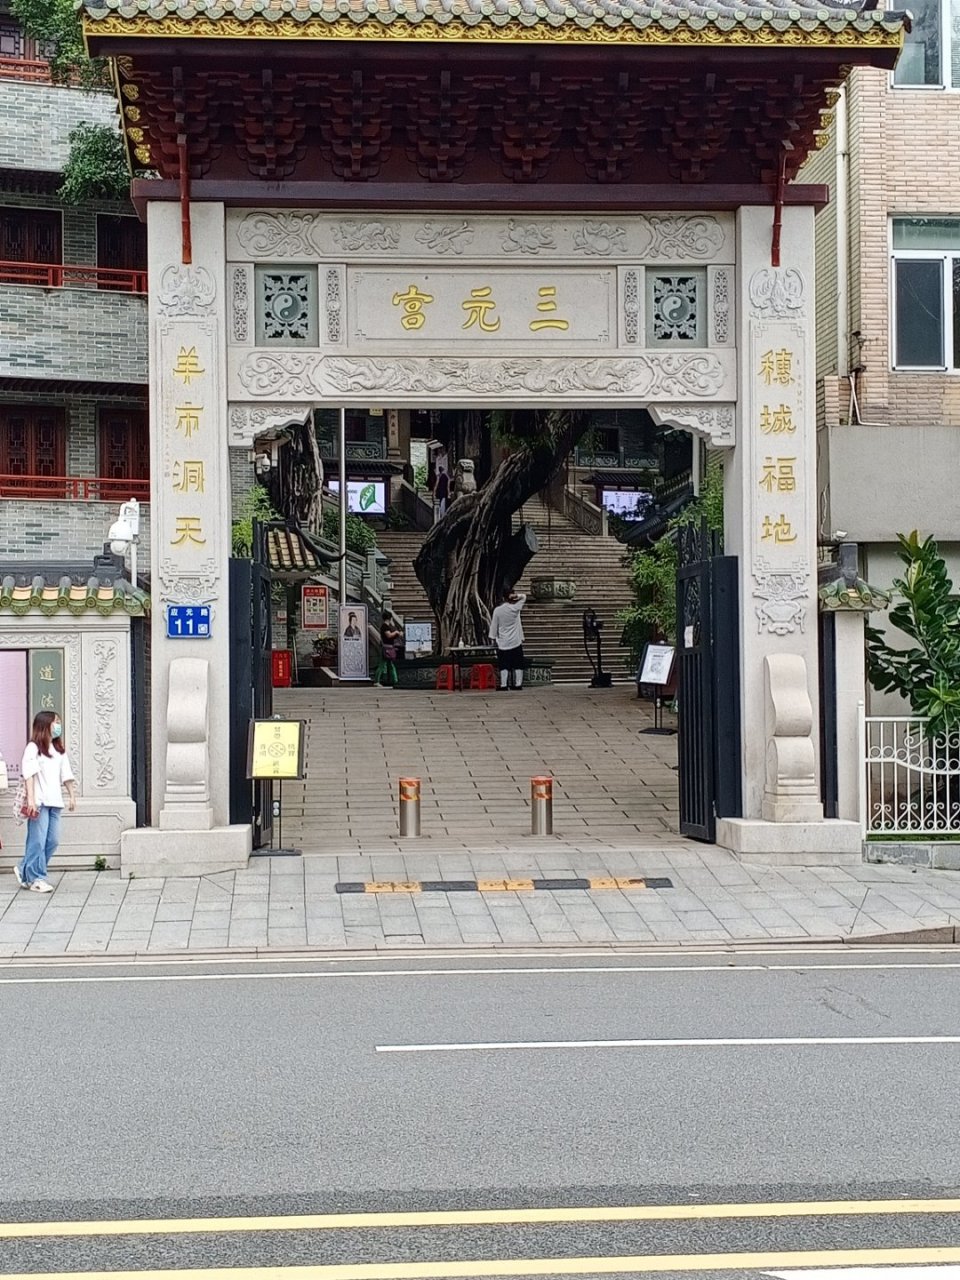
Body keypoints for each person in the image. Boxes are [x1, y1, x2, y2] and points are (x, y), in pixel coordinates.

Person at [14, 710, 77, 894]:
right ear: (45, 724)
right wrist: (32, 800)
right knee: (37, 841)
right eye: (55, 722)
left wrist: (72, 795)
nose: (58, 726)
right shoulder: (33, 748)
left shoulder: (59, 750)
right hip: (40, 803)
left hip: (55, 802)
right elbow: (29, 774)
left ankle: (25, 866)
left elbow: (66, 775)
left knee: (53, 841)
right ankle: (36, 877)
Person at [488, 587, 527, 691]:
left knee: (504, 664)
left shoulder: (498, 610)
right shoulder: (515, 609)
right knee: (518, 663)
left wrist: (493, 638)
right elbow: (524, 597)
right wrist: (516, 596)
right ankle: (518, 684)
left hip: (503, 642)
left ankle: (504, 685)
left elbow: (494, 625)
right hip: (515, 641)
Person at [375, 614, 402, 689]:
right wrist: (396, 633)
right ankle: (376, 681)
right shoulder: (385, 626)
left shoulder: (388, 627)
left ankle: (394, 680)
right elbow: (389, 635)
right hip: (386, 648)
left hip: (389, 647)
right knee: (382, 665)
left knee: (390, 665)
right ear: (390, 619)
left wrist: (397, 633)